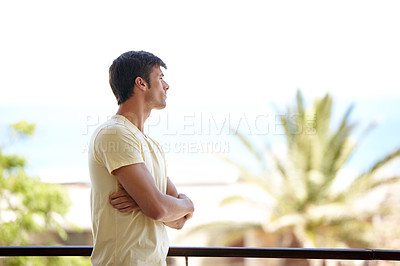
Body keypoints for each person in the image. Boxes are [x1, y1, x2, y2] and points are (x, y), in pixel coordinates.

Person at [88, 50, 195, 265]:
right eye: (160, 78)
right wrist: (161, 203)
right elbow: (159, 209)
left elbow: (179, 221)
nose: (166, 85)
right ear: (141, 83)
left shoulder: (149, 144)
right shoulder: (116, 133)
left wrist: (147, 202)